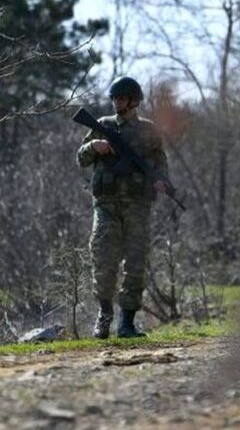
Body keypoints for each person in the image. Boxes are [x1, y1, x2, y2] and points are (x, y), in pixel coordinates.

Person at [76, 76, 168, 339]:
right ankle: (104, 315)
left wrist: (162, 181)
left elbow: (161, 163)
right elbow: (81, 159)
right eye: (114, 98)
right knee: (103, 260)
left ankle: (127, 323)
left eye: (122, 98)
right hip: (106, 206)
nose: (117, 102)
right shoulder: (102, 125)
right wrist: (93, 146)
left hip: (138, 206)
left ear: (134, 101)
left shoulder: (149, 131)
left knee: (136, 264)